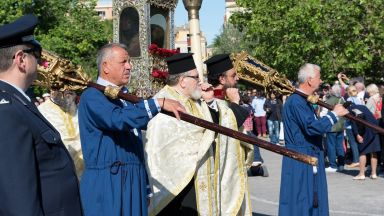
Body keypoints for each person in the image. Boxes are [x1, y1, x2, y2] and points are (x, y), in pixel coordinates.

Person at [78, 43, 185, 216]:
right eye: (123, 62)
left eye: (129, 61)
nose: (129, 66)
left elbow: (136, 147)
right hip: (107, 182)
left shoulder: (125, 98)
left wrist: (145, 186)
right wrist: (157, 103)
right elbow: (117, 119)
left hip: (133, 181)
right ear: (105, 66)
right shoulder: (92, 96)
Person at [0, 14, 83, 215]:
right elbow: (19, 199)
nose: (40, 62)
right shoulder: (8, 111)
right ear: (21, 59)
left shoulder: (18, 102)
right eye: (36, 54)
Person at [145, 53, 216, 215]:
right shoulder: (163, 101)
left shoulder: (195, 101)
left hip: (197, 179)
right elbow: (161, 147)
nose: (200, 81)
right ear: (183, 81)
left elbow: (212, 126)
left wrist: (210, 101)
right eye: (196, 77)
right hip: (174, 186)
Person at [279, 63, 348, 216]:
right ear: (310, 80)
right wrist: (334, 114)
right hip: (301, 157)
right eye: (318, 77)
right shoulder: (296, 101)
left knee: (312, 198)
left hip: (309, 154)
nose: (321, 80)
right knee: (302, 199)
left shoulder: (303, 100)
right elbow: (312, 128)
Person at [203, 54, 254, 215]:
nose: (237, 78)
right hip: (220, 167)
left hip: (234, 166)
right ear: (222, 79)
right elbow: (228, 125)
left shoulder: (225, 100)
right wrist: (235, 103)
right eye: (233, 75)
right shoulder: (210, 103)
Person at [38, 90, 84, 177]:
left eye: (70, 93)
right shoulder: (42, 111)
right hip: (60, 168)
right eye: (64, 93)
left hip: (85, 167)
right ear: (52, 91)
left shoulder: (78, 107)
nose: (68, 96)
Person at [349, 104, 381, 180]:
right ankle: (374, 174)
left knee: (362, 152)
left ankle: (361, 174)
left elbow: (354, 123)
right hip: (374, 129)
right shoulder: (362, 106)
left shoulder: (350, 110)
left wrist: (357, 134)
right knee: (373, 152)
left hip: (365, 132)